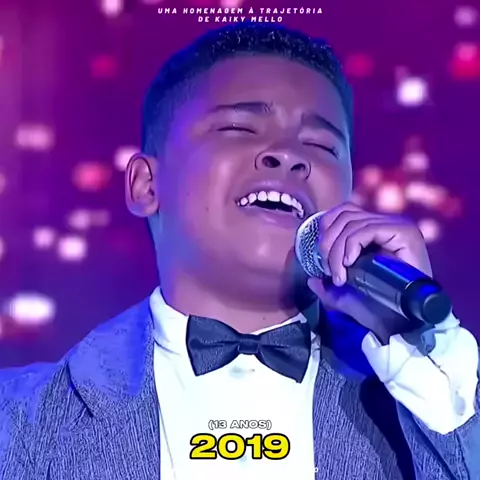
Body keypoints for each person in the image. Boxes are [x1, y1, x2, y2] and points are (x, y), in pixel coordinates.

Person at [1, 23, 479, 480]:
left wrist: (418, 346)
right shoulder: (17, 420)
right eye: (240, 128)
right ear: (147, 185)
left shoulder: (423, 403)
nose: (288, 155)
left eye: (320, 144)